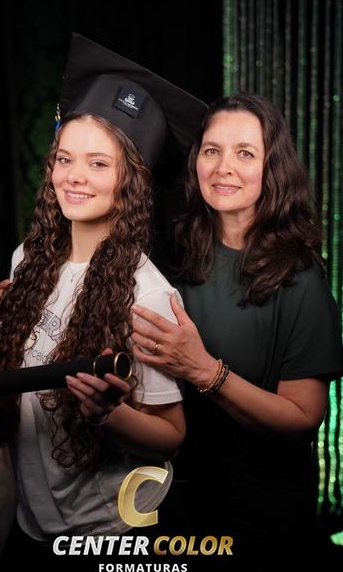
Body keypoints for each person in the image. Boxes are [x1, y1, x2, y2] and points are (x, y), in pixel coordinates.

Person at [0, 34, 207, 569]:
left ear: (131, 181)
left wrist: (110, 414)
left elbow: (171, 438)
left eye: (98, 164)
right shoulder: (27, 259)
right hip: (31, 527)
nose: (75, 177)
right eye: (65, 158)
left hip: (109, 534)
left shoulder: (149, 294)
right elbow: (22, 379)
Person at [129, 92, 343, 569]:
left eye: (245, 153)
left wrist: (204, 370)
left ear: (271, 169)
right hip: (175, 501)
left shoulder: (300, 277)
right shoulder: (171, 255)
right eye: (212, 150)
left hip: (262, 515)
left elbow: (303, 418)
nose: (224, 167)